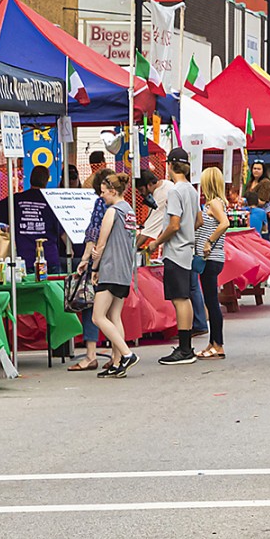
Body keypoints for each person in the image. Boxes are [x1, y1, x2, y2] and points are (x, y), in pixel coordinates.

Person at [145, 149, 203, 366]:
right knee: (185, 297)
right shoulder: (191, 190)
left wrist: (157, 242)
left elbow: (174, 224)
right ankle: (186, 346)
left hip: (175, 251)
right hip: (187, 249)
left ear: (170, 165)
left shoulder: (175, 192)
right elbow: (198, 220)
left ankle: (185, 349)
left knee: (179, 299)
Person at [90, 172, 139, 378]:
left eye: (103, 193)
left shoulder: (112, 211)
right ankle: (117, 362)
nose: (102, 197)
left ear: (112, 191)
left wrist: (94, 266)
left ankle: (127, 354)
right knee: (114, 315)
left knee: (98, 317)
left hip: (110, 268)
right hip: (125, 268)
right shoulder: (129, 211)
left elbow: (101, 243)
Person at [70, 168, 115, 372]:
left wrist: (86, 260)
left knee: (91, 308)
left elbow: (94, 235)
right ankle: (117, 355)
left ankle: (90, 355)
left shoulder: (101, 205)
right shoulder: (125, 207)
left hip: (101, 263)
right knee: (115, 311)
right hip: (119, 263)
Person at [0, 164, 67, 275]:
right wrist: (71, 250)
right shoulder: (51, 201)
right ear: (46, 181)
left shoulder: (16, 200)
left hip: (26, 261)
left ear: (30, 179)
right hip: (50, 259)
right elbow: (61, 231)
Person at [195, 166, 232, 360]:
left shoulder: (213, 203)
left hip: (211, 257)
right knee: (210, 301)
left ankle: (218, 344)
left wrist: (209, 241)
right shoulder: (214, 203)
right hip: (211, 257)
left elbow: (225, 223)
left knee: (212, 302)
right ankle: (213, 342)